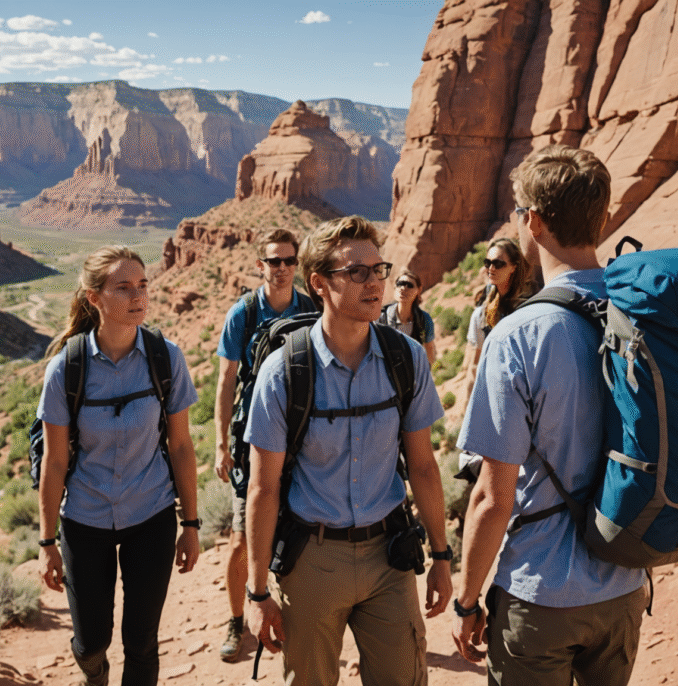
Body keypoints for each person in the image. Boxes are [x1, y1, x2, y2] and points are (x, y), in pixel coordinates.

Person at [452, 145, 648, 685]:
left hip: (541, 593)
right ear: (602, 218)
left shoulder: (519, 334)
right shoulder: (642, 311)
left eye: (519, 213)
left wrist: (467, 600)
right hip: (625, 585)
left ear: (533, 222)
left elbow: (493, 496)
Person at [244, 216, 453, 686]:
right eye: (356, 272)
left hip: (390, 559)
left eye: (379, 269)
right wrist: (257, 593)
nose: (375, 282)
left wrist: (441, 557)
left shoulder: (407, 358)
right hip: (312, 563)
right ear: (319, 283)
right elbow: (263, 488)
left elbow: (422, 466)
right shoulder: (283, 372)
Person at [37, 246, 201, 686]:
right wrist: (47, 540)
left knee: (142, 641)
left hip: (151, 514)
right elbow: (55, 463)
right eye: (124, 287)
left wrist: (191, 523)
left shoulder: (166, 359)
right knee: (90, 642)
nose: (139, 296)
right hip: (85, 517)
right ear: (94, 298)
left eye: (143, 285)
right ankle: (96, 675)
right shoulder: (65, 369)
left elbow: (181, 446)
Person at [212, 228, 315, 663]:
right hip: (252, 438)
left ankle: (302, 617)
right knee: (241, 538)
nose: (283, 269)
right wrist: (221, 445)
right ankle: (238, 621)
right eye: (274, 261)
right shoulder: (245, 312)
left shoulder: (310, 307)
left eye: (290, 261)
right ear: (261, 265)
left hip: (300, 437)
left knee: (302, 533)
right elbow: (225, 380)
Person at [459, 237, 533, 409]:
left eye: (498, 264)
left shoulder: (528, 308)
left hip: (522, 400)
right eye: (488, 262)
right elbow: (475, 365)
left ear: (514, 267)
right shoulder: (482, 313)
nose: (491, 268)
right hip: (491, 398)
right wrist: (468, 408)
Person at [378, 268, 437, 365]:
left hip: (413, 375)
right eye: (400, 284)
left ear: (419, 290)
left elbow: (429, 349)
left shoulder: (424, 319)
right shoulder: (382, 317)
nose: (403, 288)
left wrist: (427, 374)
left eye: (409, 285)